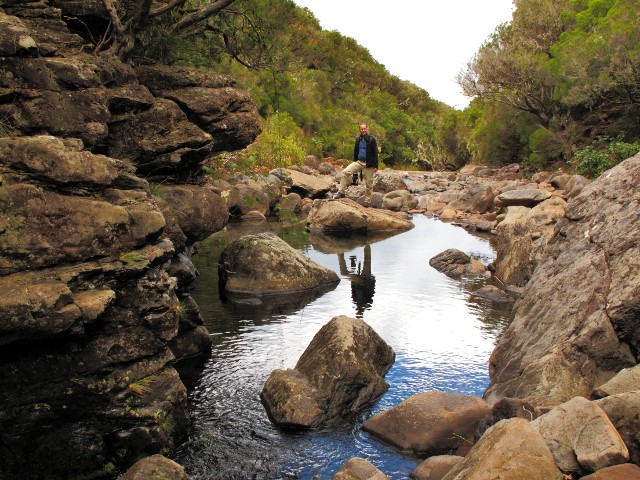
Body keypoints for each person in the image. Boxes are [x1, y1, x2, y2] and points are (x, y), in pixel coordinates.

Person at [333, 123, 378, 205]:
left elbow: (375, 153)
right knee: (345, 172)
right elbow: (356, 151)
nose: (363, 130)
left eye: (364, 129)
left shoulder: (372, 140)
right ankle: (341, 192)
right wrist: (355, 161)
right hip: (359, 162)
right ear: (360, 130)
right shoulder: (358, 139)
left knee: (369, 183)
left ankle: (367, 201)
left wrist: (375, 166)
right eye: (362, 129)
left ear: (367, 129)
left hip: (368, 164)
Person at [337, 244, 376, 318]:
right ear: (362, 310)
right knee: (367, 261)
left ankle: (340, 251)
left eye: (357, 311)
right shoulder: (368, 302)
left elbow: (353, 290)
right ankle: (366, 243)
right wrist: (373, 280)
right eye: (359, 311)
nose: (358, 309)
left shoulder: (355, 300)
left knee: (343, 273)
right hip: (366, 280)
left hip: (358, 281)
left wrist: (353, 281)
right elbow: (372, 291)